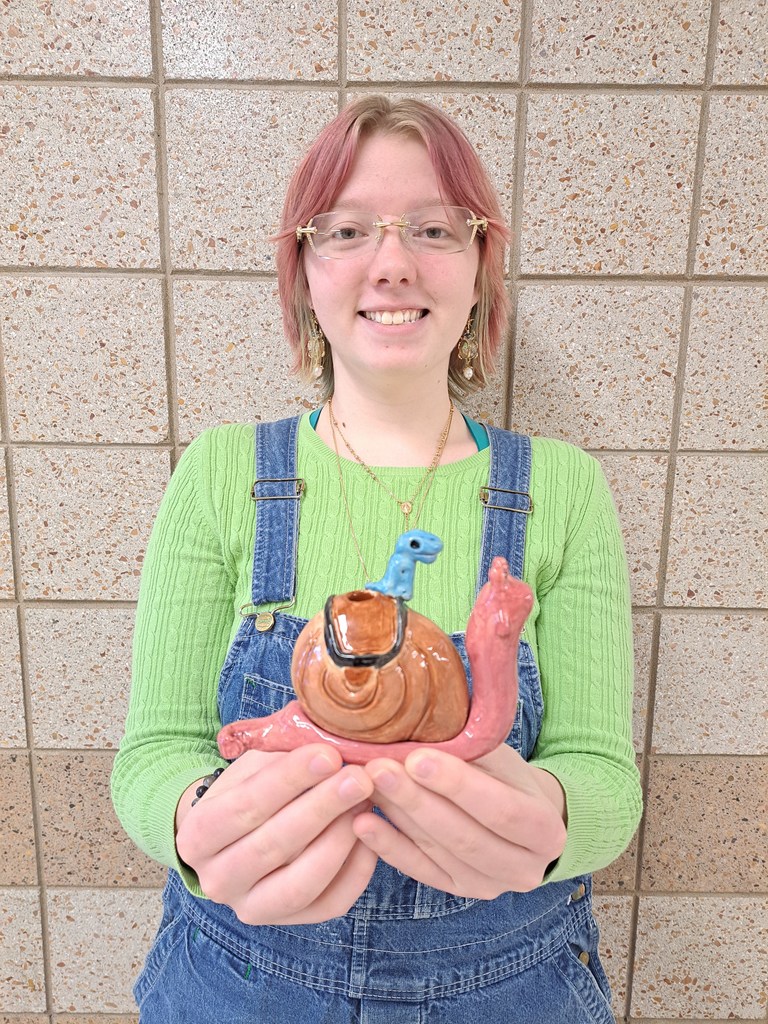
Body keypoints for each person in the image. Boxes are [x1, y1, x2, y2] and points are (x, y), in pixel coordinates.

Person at [112, 95, 642, 1023]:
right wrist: (194, 825)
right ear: (303, 273)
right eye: (346, 230)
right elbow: (154, 754)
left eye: (435, 228)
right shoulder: (221, 475)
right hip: (236, 981)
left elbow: (603, 773)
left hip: (511, 986)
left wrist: (555, 825)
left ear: (482, 266)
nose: (392, 263)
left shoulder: (562, 489)